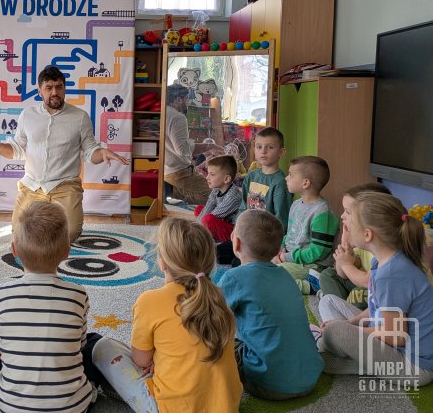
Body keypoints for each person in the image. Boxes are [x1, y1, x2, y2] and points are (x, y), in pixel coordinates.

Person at [92, 216, 242, 412]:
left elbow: (140, 361)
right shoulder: (218, 296)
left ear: (162, 262)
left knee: (103, 347)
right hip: (227, 406)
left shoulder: (149, 300)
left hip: (171, 408)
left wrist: (154, 359)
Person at [0, 201, 104, 412]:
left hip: (11, 405)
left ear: (13, 250)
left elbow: (6, 338)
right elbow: (79, 346)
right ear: (67, 252)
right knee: (94, 343)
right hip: (73, 406)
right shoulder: (78, 294)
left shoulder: (3, 292)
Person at [0, 65, 129, 243]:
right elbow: (18, 148)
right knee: (19, 234)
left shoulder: (80, 117)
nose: (55, 92)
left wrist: (101, 152)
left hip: (65, 187)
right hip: (32, 187)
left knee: (70, 234)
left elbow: (89, 151)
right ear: (40, 91)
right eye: (49, 88)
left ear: (64, 89)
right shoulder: (27, 115)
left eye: (59, 87)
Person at [317, 192, 433, 384]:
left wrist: (345, 329)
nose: (345, 225)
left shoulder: (391, 275)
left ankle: (341, 351)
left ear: (367, 234)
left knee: (332, 337)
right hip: (388, 339)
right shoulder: (381, 262)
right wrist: (353, 323)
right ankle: (346, 349)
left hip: (414, 365)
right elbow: (375, 309)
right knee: (328, 301)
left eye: (350, 223)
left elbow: (395, 336)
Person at [217, 209, 323, 400]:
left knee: (219, 343)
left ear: (237, 243)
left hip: (267, 383)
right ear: (277, 250)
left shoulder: (234, 277)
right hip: (310, 378)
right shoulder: (286, 275)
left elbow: (209, 316)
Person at [318, 182, 392, 311]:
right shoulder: (362, 243)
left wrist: (347, 265)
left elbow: (367, 282)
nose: (342, 216)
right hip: (364, 289)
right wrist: (346, 246)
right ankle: (342, 308)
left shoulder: (385, 248)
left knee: (359, 293)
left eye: (347, 211)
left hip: (379, 295)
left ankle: (344, 313)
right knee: (328, 275)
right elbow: (341, 274)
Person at [271, 156, 338, 294]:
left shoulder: (322, 212)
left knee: (268, 275)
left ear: (305, 183)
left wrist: (285, 258)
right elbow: (290, 235)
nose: (286, 178)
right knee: (256, 263)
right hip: (291, 258)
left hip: (312, 265)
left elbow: (318, 252)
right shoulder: (296, 204)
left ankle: (313, 286)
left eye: (291, 175)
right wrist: (280, 250)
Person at [163, 84, 211, 205]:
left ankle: (173, 192)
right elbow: (182, 149)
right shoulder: (178, 117)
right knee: (216, 195)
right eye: (187, 99)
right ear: (179, 99)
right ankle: (174, 192)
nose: (188, 102)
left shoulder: (164, 112)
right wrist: (208, 147)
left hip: (168, 171)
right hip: (178, 173)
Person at [237, 127, 292, 230]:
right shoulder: (251, 176)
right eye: (259, 147)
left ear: (281, 152)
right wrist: (237, 228)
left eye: (270, 147)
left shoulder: (280, 183)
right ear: (254, 150)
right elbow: (243, 207)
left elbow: (281, 219)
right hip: (247, 231)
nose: (263, 151)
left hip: (267, 237)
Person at [195, 154, 241, 242]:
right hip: (222, 219)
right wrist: (195, 227)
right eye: (208, 173)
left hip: (233, 231)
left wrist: (196, 230)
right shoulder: (216, 190)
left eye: (212, 174)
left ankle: (207, 235)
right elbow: (208, 207)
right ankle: (205, 232)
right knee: (199, 209)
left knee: (208, 219)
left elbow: (213, 215)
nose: (207, 177)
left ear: (226, 179)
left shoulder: (233, 197)